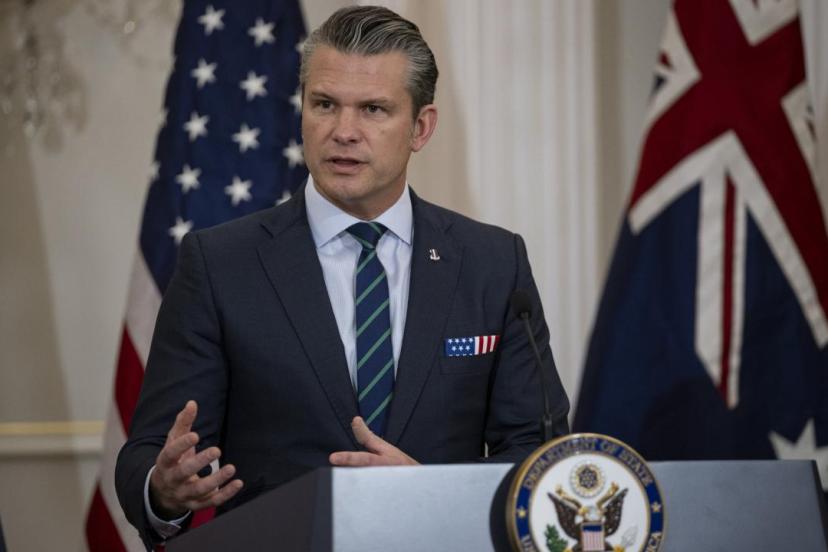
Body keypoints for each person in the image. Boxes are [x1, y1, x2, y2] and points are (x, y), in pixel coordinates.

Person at [115, 5, 569, 548]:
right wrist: (163, 490)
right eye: (324, 104)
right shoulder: (219, 264)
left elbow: (538, 455)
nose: (343, 132)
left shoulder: (492, 263)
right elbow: (148, 453)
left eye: (373, 109)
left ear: (421, 127)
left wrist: (432, 493)